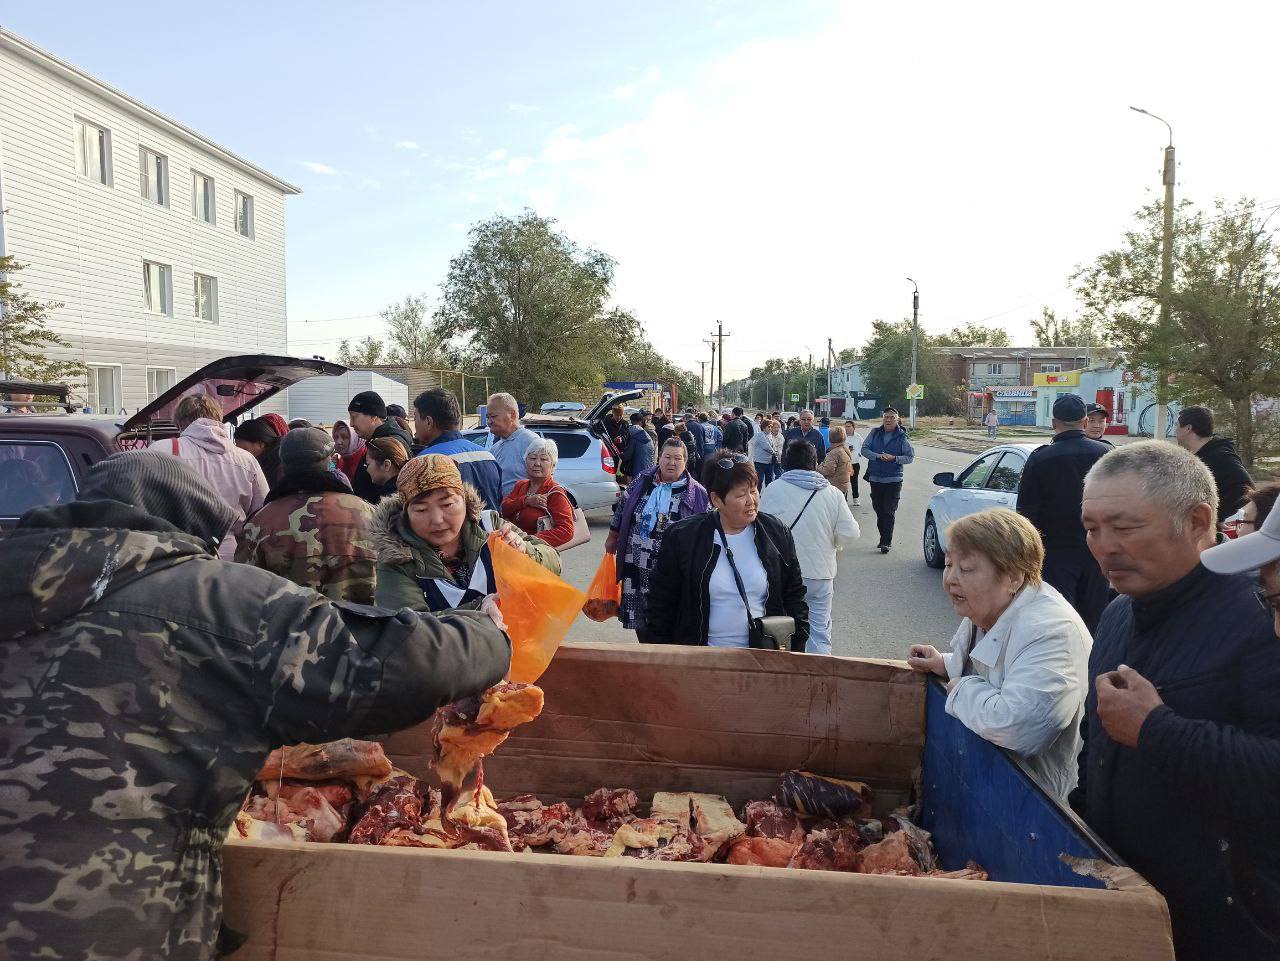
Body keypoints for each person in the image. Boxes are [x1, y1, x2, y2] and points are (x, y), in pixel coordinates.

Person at [0, 452, 512, 960]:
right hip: (99, 922)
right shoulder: (209, 600)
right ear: (184, 528)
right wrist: (488, 632)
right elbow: (392, 667)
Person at [1074, 441, 1280, 961]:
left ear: (1196, 520)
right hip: (1123, 905)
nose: (1105, 547)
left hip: (1225, 929)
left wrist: (1156, 729)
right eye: (1092, 528)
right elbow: (1095, 737)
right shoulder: (1120, 611)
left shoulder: (1262, 621)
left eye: (1124, 527)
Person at [906, 509, 1091, 801]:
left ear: (1014, 577)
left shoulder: (1051, 631)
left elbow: (1017, 726)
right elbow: (992, 666)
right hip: (992, 782)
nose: (950, 579)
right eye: (948, 564)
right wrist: (947, 663)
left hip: (1035, 803)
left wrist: (960, 687)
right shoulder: (990, 605)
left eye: (966, 569)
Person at [645, 451, 808, 650]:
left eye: (754, 490)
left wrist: (797, 650)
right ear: (716, 500)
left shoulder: (776, 532)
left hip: (764, 659)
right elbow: (661, 603)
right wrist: (666, 657)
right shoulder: (683, 537)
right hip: (702, 660)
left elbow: (794, 595)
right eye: (741, 494)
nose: (751, 501)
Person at [372, 453, 560, 612]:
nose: (437, 519)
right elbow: (411, 632)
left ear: (464, 500)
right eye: (421, 510)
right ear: (407, 514)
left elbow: (554, 563)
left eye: (447, 504)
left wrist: (524, 550)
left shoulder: (489, 525)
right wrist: (480, 609)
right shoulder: (396, 559)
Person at [236, 427, 376, 603]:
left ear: (283, 466)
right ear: (331, 461)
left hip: (288, 628)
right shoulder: (368, 515)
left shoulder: (260, 523)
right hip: (361, 627)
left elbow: (244, 592)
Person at [1015, 394, 1111, 633]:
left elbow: (1026, 516)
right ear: (1085, 422)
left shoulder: (1040, 459)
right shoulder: (1107, 455)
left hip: (1055, 555)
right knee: (1094, 620)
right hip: (1099, 552)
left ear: (1054, 423)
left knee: (1058, 619)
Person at [607, 437, 711, 642]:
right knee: (640, 618)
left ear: (685, 462)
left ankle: (663, 655)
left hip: (670, 570)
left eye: (678, 459)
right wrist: (613, 535)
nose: (671, 462)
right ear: (659, 458)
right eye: (667, 457)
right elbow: (622, 508)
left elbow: (707, 529)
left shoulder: (697, 492)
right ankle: (647, 650)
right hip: (635, 563)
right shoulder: (642, 481)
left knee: (667, 615)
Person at [760, 440, 859, 654]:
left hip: (781, 575)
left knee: (781, 630)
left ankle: (785, 675)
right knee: (819, 631)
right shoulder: (832, 494)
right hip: (819, 574)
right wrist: (834, 545)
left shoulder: (773, 489)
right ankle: (818, 678)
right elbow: (850, 533)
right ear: (815, 464)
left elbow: (760, 531)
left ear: (785, 463)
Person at [154, 394, 268, 560]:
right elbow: (261, 513)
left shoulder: (161, 451)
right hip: (231, 557)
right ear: (219, 418)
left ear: (179, 422)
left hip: (177, 555)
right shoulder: (246, 459)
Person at [412, 387, 503, 510]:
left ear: (428, 422)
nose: (415, 424)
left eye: (415, 417)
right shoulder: (488, 456)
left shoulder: (425, 461)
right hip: (492, 529)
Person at [1176, 405, 1253, 525]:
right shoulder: (1197, 455)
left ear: (1188, 428)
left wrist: (1214, 517)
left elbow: (1246, 489)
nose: (1175, 430)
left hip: (1208, 532)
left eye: (1177, 425)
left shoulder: (1221, 456)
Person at [502, 437, 575, 549]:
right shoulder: (521, 485)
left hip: (535, 554)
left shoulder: (555, 492)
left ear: (553, 465)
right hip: (514, 549)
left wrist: (528, 541)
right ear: (525, 461)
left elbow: (566, 531)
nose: (537, 463)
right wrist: (526, 501)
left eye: (544, 459)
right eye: (532, 458)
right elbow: (504, 509)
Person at [860, 406, 915, 554]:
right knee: (879, 510)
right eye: (886, 417)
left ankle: (886, 542)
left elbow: (909, 457)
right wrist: (878, 456)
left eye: (892, 417)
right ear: (882, 419)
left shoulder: (902, 436)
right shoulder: (875, 432)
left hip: (894, 479)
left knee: (889, 511)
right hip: (875, 478)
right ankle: (883, 536)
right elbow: (864, 449)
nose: (888, 420)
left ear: (897, 420)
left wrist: (895, 458)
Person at [347, 390, 415, 504]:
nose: (351, 423)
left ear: (373, 417)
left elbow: (394, 492)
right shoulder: (375, 440)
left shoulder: (390, 444)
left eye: (354, 417)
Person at [485, 392, 539, 498]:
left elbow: (543, 484)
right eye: (488, 417)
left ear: (512, 415)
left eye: (493, 416)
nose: (489, 422)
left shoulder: (531, 442)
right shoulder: (495, 449)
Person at [234, 416, 283, 489]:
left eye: (244, 449)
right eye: (237, 450)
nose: (240, 455)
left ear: (261, 444)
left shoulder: (279, 464)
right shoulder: (272, 458)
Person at [364, 436, 411, 501]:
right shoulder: (410, 489)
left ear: (386, 465)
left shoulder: (390, 500)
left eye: (368, 464)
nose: (367, 469)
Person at [818, 425, 854, 505]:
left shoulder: (834, 453)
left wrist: (817, 467)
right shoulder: (845, 450)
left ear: (830, 438)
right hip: (843, 485)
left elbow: (828, 470)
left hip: (834, 486)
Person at [620, 411, 655, 481]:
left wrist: (620, 454)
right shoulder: (647, 436)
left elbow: (627, 455)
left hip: (636, 470)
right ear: (641, 422)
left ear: (632, 422)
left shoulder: (634, 437)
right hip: (648, 469)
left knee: (635, 490)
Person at [750, 415, 780, 489]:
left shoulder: (770, 435)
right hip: (760, 462)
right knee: (759, 481)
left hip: (769, 462)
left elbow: (774, 446)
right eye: (768, 427)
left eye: (771, 426)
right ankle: (757, 497)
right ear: (763, 427)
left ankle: (768, 496)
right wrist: (774, 452)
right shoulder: (760, 435)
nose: (770, 428)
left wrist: (775, 452)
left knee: (769, 481)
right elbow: (766, 447)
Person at [332, 418, 365, 484]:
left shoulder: (368, 462)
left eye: (344, 437)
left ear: (355, 438)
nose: (338, 442)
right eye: (336, 437)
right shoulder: (340, 461)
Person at [842, 420, 862, 506]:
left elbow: (863, 446)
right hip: (844, 462)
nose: (847, 428)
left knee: (854, 481)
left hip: (855, 462)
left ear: (853, 427)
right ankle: (844, 499)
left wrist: (859, 453)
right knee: (844, 481)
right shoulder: (842, 437)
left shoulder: (858, 437)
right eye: (846, 426)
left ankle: (855, 498)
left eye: (849, 426)